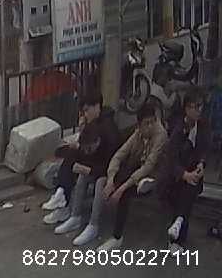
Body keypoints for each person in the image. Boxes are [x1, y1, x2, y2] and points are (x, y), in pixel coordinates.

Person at [85, 103, 167, 251]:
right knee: (106, 179)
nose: (150, 127)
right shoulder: (137, 134)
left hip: (153, 174)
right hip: (134, 170)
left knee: (125, 192)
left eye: (152, 122)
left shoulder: (160, 135)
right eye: (146, 124)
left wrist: (121, 188)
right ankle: (92, 224)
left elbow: (149, 165)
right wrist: (111, 179)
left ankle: (117, 237)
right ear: (139, 125)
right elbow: (119, 155)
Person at [43, 93, 120, 235]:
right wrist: (81, 130)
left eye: (86, 110)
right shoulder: (94, 122)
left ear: (97, 106)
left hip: (106, 169)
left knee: (85, 173)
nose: (85, 114)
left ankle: (90, 222)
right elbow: (86, 146)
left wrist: (89, 169)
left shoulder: (108, 128)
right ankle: (69, 206)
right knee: (71, 155)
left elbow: (109, 161)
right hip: (95, 163)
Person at [159, 89, 211, 253]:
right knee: (186, 190)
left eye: (200, 106)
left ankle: (177, 228)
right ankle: (178, 232)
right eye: (195, 107)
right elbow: (171, 159)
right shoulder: (178, 128)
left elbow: (205, 150)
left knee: (190, 187)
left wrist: (201, 164)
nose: (199, 110)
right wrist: (184, 175)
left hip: (193, 173)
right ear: (187, 108)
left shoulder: (203, 126)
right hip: (175, 176)